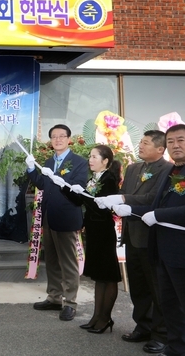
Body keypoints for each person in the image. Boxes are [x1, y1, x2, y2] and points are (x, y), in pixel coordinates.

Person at [113, 123, 185, 356]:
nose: (176, 146)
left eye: (181, 140)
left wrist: (154, 213)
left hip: (176, 247)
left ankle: (164, 336)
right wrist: (125, 207)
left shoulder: (166, 169)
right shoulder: (169, 171)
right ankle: (164, 340)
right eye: (172, 141)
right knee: (155, 294)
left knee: (171, 299)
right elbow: (154, 203)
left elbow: (155, 204)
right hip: (152, 243)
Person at [96, 130, 170, 353]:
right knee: (138, 286)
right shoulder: (133, 168)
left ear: (160, 148)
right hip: (132, 235)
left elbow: (152, 199)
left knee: (156, 288)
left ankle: (161, 334)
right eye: (141, 142)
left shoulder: (167, 170)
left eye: (146, 143)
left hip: (152, 238)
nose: (140, 146)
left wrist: (123, 199)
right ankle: (142, 326)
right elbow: (124, 191)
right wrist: (118, 199)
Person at [25, 124, 88, 321]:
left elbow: (79, 187)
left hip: (67, 218)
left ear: (69, 139)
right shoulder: (48, 161)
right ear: (51, 141)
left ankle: (70, 302)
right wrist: (30, 168)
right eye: (54, 137)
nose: (58, 140)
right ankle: (54, 297)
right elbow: (43, 184)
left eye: (62, 136)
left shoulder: (78, 162)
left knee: (68, 262)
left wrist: (67, 185)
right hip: (49, 218)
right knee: (51, 260)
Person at [61, 145, 122, 334]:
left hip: (104, 232)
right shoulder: (94, 178)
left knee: (108, 275)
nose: (90, 160)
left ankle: (105, 318)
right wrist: (64, 186)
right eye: (90, 156)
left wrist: (84, 194)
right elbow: (80, 201)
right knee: (98, 276)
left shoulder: (109, 179)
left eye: (95, 157)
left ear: (105, 161)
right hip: (94, 232)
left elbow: (101, 206)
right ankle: (96, 316)